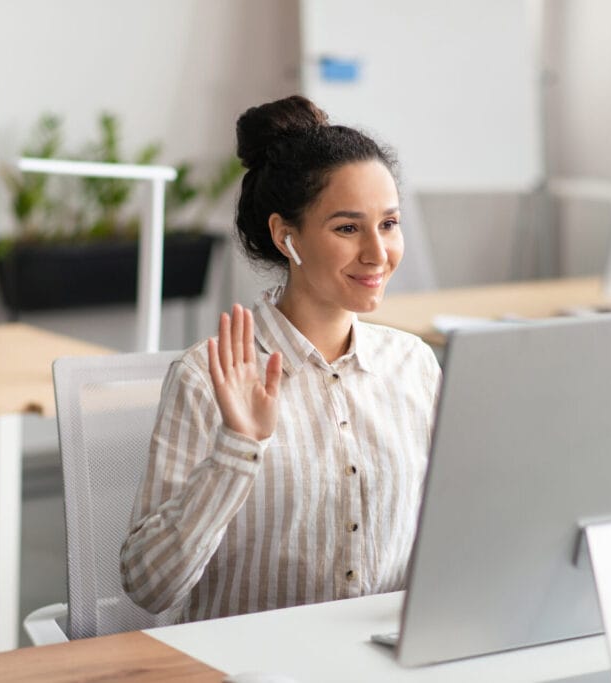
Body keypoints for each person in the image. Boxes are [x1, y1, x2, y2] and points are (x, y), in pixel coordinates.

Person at [120, 95, 441, 622]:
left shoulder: (414, 365)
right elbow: (147, 586)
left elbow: (446, 535)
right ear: (285, 236)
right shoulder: (207, 377)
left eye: (388, 223)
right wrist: (236, 447)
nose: (378, 253)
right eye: (347, 228)